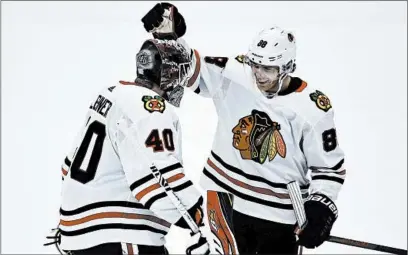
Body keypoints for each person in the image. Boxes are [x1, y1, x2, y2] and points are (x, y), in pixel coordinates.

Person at [141, 3, 347, 255]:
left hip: (281, 213)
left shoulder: (313, 110)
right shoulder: (236, 74)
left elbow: (329, 169)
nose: (259, 75)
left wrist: (321, 207)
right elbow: (187, 66)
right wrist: (168, 36)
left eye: (269, 69)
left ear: (288, 67)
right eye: (255, 65)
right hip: (226, 197)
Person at [45, 38, 210, 255]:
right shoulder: (151, 109)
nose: (182, 82)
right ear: (169, 73)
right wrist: (197, 218)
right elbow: (157, 179)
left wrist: (75, 228)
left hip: (80, 235)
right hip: (119, 235)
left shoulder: (111, 94)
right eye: (181, 73)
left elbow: (68, 167)